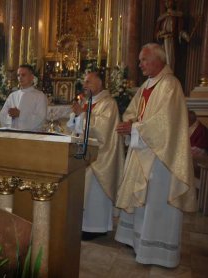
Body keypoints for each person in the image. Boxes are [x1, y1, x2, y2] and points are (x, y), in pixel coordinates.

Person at [115, 43, 197, 268]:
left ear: (158, 60)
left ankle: (158, 251)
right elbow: (133, 112)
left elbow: (166, 123)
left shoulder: (170, 85)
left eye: (143, 60)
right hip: (143, 149)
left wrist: (135, 129)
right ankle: (138, 241)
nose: (139, 64)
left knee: (157, 203)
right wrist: (129, 123)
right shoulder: (146, 85)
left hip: (161, 157)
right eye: (140, 60)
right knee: (144, 201)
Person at [67, 72, 125, 240]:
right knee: (84, 190)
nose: (85, 85)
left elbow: (103, 130)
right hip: (85, 154)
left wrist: (82, 115)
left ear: (100, 83)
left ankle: (96, 227)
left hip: (101, 156)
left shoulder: (109, 104)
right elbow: (75, 127)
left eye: (89, 82)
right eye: (84, 81)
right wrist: (77, 115)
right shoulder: (87, 102)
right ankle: (84, 226)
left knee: (94, 191)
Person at [0, 64, 47, 131]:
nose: (20, 78)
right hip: (13, 135)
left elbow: (40, 119)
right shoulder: (13, 96)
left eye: (23, 75)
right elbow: (2, 116)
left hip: (32, 136)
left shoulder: (39, 96)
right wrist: (10, 116)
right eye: (18, 75)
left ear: (32, 77)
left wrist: (20, 114)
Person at [155, 0, 189, 71]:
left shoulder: (177, 15)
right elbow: (156, 32)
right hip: (163, 42)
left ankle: (169, 77)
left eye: (169, 1)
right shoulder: (162, 17)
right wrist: (160, 33)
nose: (167, 3)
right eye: (166, 1)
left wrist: (185, 36)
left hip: (171, 41)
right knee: (161, 60)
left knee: (169, 60)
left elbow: (180, 30)